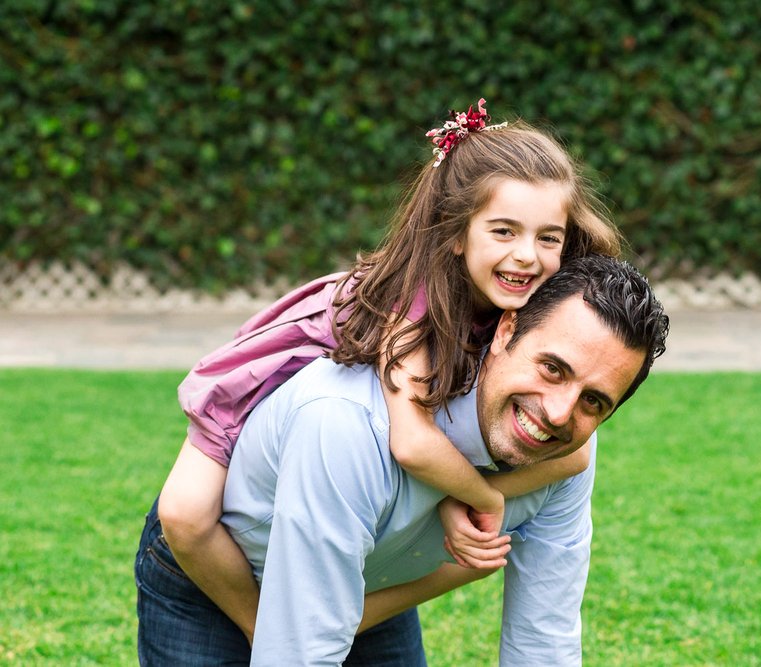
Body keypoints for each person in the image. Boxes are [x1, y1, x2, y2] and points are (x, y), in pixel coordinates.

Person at [153, 99, 624, 644]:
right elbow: (412, 442)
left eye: (548, 237)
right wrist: (483, 497)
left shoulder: (529, 309)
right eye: (503, 231)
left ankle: (296, 628)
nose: (527, 256)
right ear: (455, 232)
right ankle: (265, 626)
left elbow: (576, 453)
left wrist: (455, 496)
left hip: (355, 551)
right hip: (259, 394)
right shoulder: (413, 302)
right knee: (185, 513)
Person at [135, 254, 669, 665]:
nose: (557, 413)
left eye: (595, 401)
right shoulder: (347, 422)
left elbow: (544, 639)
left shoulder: (566, 451)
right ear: (507, 330)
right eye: (552, 368)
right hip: (212, 569)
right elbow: (299, 652)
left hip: (371, 579)